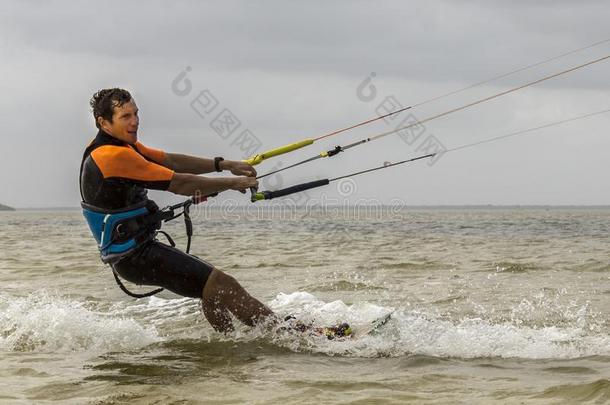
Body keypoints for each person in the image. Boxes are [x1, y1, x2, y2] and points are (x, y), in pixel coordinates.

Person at [80, 88, 274, 333]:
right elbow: (181, 184)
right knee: (222, 284)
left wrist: (224, 165)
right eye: (126, 116)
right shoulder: (111, 156)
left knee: (212, 291)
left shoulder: (121, 145)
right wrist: (232, 183)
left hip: (136, 251)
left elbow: (170, 161)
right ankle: (286, 333)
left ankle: (227, 350)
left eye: (136, 114)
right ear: (103, 122)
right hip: (135, 256)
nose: (135, 121)